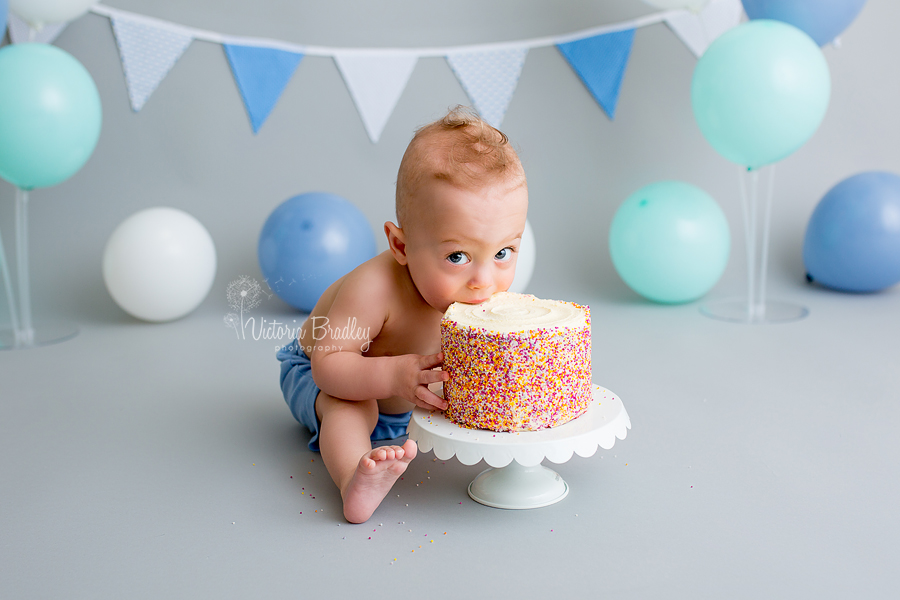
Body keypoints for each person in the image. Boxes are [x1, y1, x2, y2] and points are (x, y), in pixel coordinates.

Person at [277, 106, 528, 523]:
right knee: (354, 408)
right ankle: (354, 478)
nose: (484, 281)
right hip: (328, 373)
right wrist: (393, 377)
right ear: (401, 246)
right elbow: (329, 365)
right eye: (458, 255)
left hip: (408, 400)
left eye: (503, 252)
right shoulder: (374, 290)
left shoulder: (479, 294)